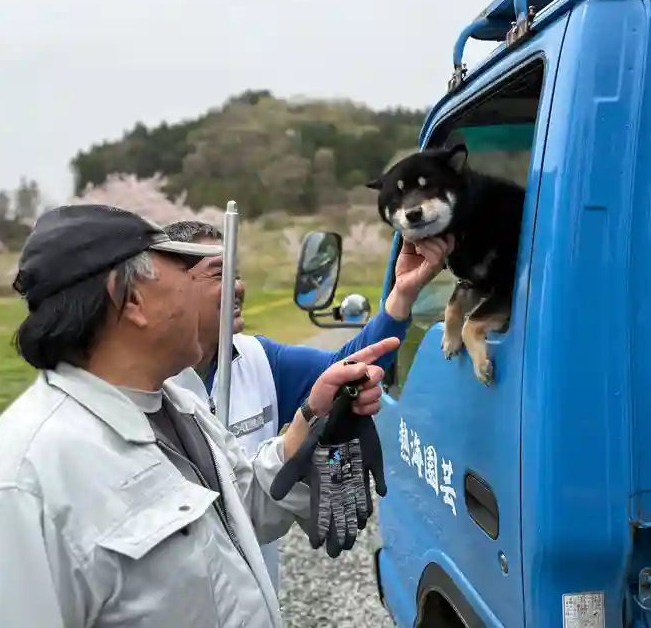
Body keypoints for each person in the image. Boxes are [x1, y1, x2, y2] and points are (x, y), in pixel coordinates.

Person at [0, 204, 397, 628]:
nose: (220, 291)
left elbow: (243, 507)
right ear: (131, 301)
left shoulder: (178, 409)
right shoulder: (19, 484)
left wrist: (313, 422)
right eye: (183, 271)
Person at [163, 220, 454, 589]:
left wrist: (401, 297)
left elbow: (348, 369)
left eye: (237, 273)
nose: (237, 287)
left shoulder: (257, 357)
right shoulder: (150, 387)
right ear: (168, 288)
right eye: (219, 274)